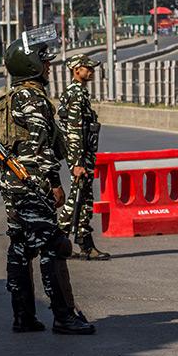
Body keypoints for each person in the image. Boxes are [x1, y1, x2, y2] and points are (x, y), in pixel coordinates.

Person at [0, 38, 95, 335]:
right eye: (44, 61)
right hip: (32, 183)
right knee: (53, 245)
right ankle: (64, 316)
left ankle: (23, 316)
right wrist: (54, 183)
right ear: (31, 65)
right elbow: (40, 148)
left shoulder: (10, 97)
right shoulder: (34, 99)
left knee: (21, 247)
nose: (49, 66)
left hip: (12, 184)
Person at [57, 54, 109, 260]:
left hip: (82, 152)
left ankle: (84, 243)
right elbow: (75, 130)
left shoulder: (78, 92)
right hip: (79, 153)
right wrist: (78, 162)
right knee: (77, 196)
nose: (91, 71)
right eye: (87, 67)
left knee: (85, 198)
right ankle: (58, 238)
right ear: (76, 69)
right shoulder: (76, 94)